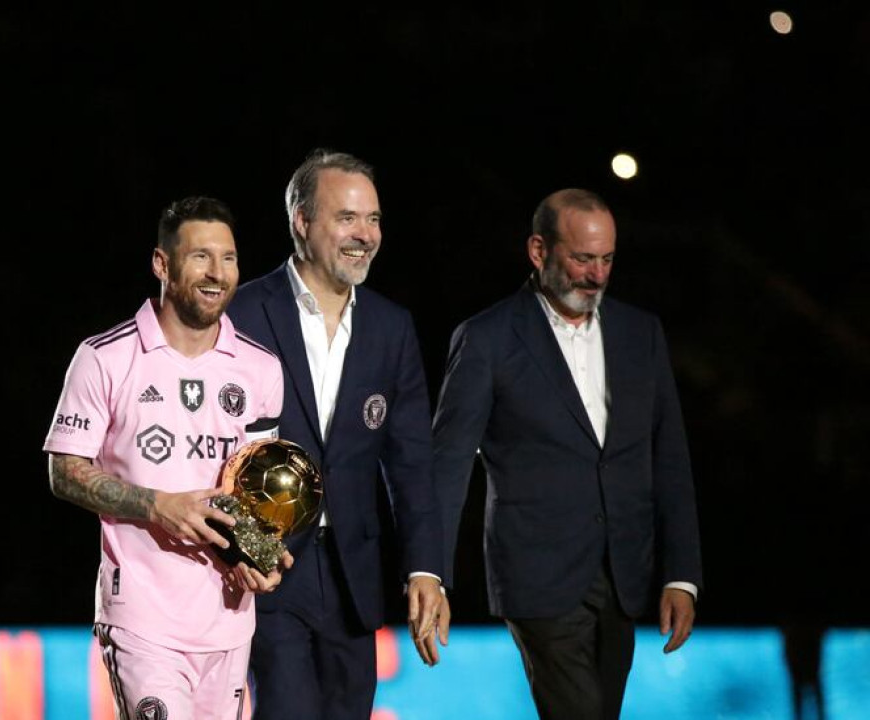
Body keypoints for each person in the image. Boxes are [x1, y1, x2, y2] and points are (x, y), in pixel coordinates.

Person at [431, 188, 703, 720]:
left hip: (624, 572)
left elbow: (669, 456)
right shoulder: (487, 338)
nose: (597, 276)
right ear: (539, 251)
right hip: (536, 576)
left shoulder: (640, 332)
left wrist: (681, 574)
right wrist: (430, 573)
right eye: (582, 259)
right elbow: (448, 466)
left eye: (606, 260)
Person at [43, 196, 288, 720]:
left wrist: (261, 555)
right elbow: (62, 471)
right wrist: (158, 505)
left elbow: (255, 493)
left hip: (228, 619)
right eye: (201, 256)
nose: (217, 273)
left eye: (228, 258)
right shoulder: (105, 357)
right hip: (142, 618)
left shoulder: (260, 368)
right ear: (162, 264)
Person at [227, 149, 446, 720]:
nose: (366, 235)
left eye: (373, 220)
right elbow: (211, 446)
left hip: (355, 576)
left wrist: (425, 568)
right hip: (271, 568)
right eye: (347, 217)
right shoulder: (243, 312)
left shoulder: (390, 326)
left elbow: (411, 463)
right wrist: (242, 547)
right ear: (301, 221)